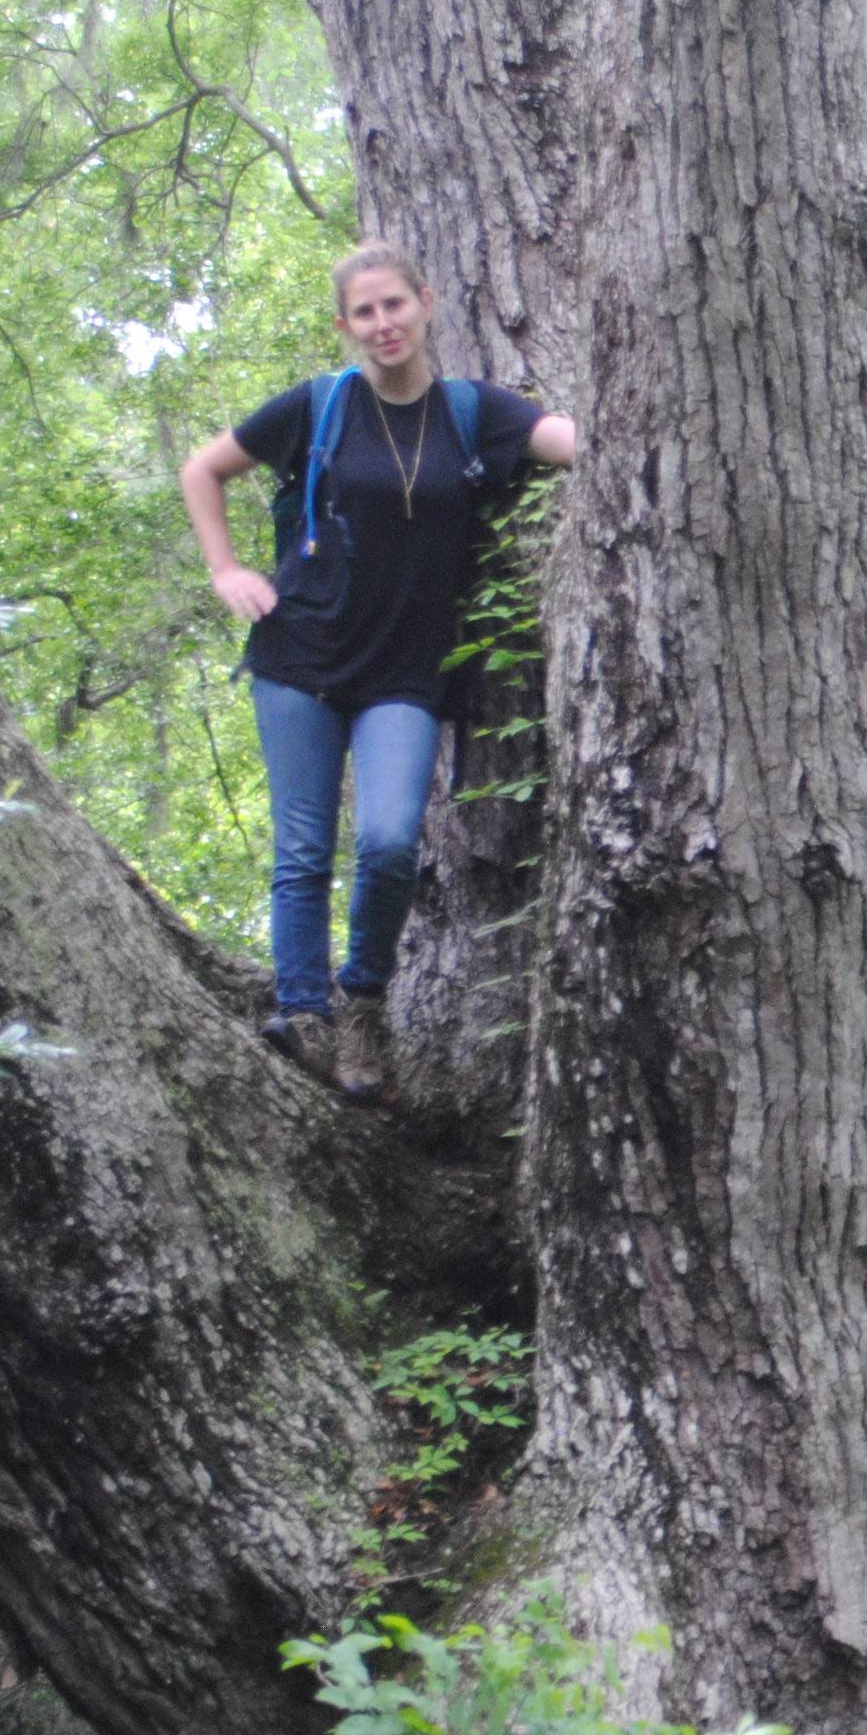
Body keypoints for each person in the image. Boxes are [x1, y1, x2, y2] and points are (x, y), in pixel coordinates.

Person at [179, 245, 579, 1103]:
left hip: (404, 671)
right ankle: (305, 1015)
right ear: (344, 325)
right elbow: (203, 469)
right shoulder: (319, 406)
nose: (383, 323)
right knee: (302, 851)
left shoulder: (476, 412)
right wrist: (226, 571)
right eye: (364, 312)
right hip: (299, 657)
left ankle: (362, 998)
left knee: (392, 840)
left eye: (394, 304)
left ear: (426, 302)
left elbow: (575, 443)